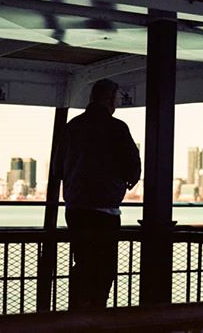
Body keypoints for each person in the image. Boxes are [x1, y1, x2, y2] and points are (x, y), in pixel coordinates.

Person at [59, 79, 141, 309]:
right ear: (110, 99)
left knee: (83, 262)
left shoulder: (72, 126)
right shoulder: (117, 128)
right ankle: (97, 313)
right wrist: (124, 183)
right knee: (104, 268)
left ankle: (77, 311)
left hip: (75, 209)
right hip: (105, 210)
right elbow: (133, 166)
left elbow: (57, 168)